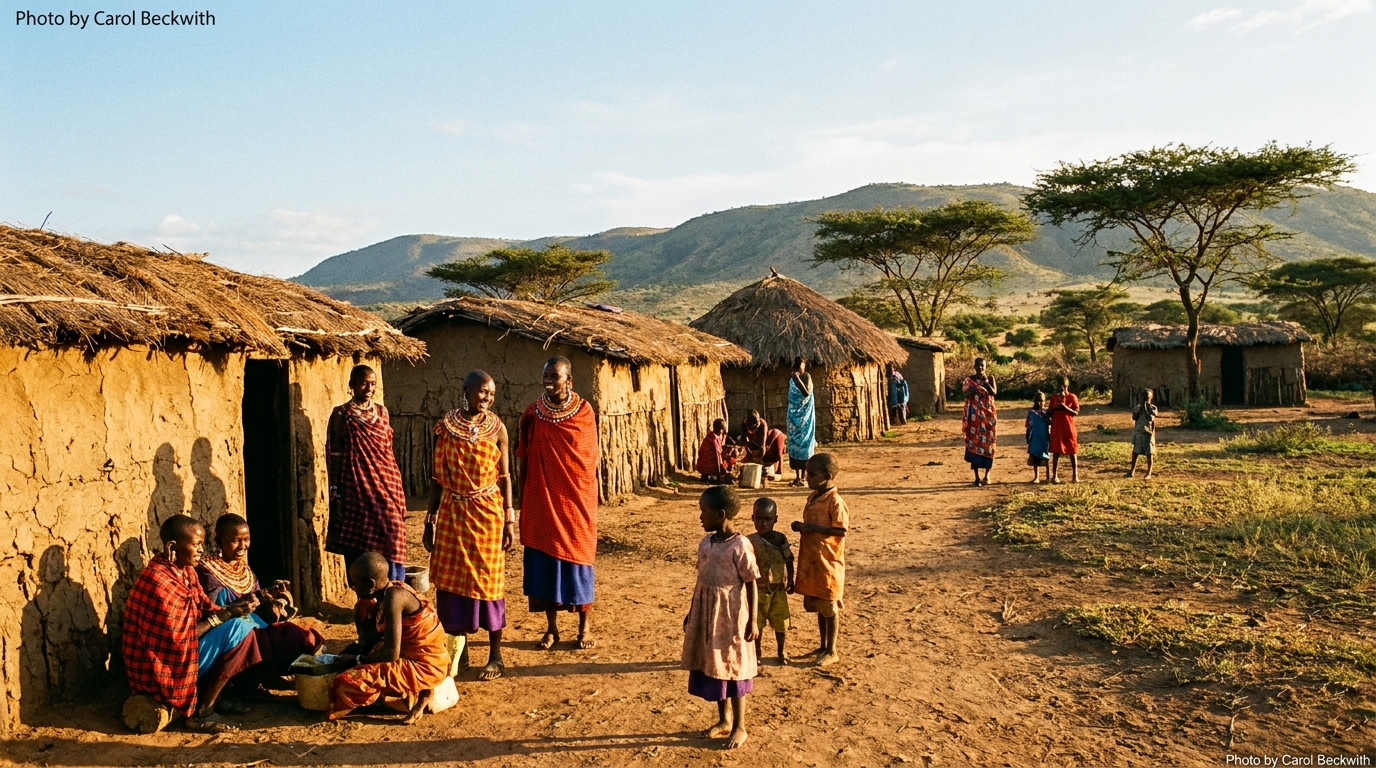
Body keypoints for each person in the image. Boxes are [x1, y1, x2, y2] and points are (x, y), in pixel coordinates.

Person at [121, 515, 260, 734]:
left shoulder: (183, 571)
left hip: (179, 654)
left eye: (202, 544)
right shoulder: (157, 580)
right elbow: (179, 638)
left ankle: (217, 697)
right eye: (196, 544)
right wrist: (225, 616)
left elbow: (205, 606)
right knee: (237, 628)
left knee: (243, 624)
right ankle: (201, 713)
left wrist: (239, 607)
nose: (201, 550)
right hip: (159, 669)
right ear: (172, 547)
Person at [424, 370, 515, 681]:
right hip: (452, 513)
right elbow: (437, 479)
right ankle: (459, 655)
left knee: (490, 584)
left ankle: (496, 655)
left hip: (488, 514)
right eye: (482, 392)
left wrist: (509, 519)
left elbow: (504, 477)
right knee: (451, 586)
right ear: (466, 391)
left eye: (491, 393)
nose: (487, 398)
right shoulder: (445, 428)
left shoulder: (497, 429)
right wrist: (429, 520)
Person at [519, 356, 600, 650]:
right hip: (542, 499)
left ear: (569, 381)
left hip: (575, 500)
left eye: (555, 376)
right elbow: (524, 456)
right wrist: (522, 496)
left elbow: (588, 459)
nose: (549, 381)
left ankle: (584, 627)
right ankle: (551, 628)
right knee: (545, 566)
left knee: (579, 563)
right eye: (545, 376)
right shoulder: (534, 413)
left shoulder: (584, 413)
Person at [196, 514, 325, 700]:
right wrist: (244, 607)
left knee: (296, 636)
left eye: (246, 540)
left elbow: (256, 603)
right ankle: (243, 686)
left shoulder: (245, 571)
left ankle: (261, 679)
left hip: (251, 626)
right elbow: (209, 611)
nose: (242, 546)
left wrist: (274, 598)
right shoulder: (208, 572)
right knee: (256, 639)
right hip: (226, 635)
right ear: (218, 541)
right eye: (235, 540)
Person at [329, 552, 450, 724]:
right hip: (407, 653)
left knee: (344, 682)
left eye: (355, 584)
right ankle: (405, 692)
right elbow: (373, 640)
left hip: (425, 665)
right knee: (348, 652)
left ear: (371, 584)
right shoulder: (384, 595)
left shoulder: (394, 598)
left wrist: (357, 660)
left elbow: (391, 653)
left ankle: (416, 693)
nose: (353, 588)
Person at [683, 485, 759, 751]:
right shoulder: (705, 543)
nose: (700, 517)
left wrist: (753, 620)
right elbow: (701, 580)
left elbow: (751, 583)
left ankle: (740, 725)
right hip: (707, 613)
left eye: (705, 512)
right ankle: (724, 720)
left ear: (721, 514)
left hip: (732, 614)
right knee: (715, 665)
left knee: (735, 667)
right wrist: (692, 612)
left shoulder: (740, 545)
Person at [326, 365, 408, 582]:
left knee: (394, 530)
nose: (369, 388)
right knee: (360, 537)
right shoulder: (341, 414)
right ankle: (365, 594)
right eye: (364, 383)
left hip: (387, 481)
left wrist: (396, 485)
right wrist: (335, 490)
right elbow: (334, 454)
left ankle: (394, 586)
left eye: (373, 383)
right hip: (355, 485)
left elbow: (387, 450)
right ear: (352, 385)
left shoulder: (382, 412)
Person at [790, 452, 848, 668]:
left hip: (828, 563)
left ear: (827, 475)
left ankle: (832, 650)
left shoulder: (835, 501)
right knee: (820, 605)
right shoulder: (813, 496)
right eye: (807, 473)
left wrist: (810, 528)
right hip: (814, 560)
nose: (807, 478)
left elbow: (840, 531)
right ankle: (823, 645)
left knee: (830, 606)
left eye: (812, 475)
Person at [747, 497, 793, 665]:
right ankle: (756, 653)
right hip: (757, 589)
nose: (763, 523)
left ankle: (781, 652)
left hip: (778, 589)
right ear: (752, 518)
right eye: (758, 518)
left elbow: (789, 559)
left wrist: (791, 579)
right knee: (757, 624)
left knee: (781, 623)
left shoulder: (780, 539)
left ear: (775, 519)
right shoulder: (749, 541)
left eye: (768, 519)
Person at [962, 358, 998, 486]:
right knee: (974, 445)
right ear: (974, 366)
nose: (980, 368)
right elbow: (965, 394)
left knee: (989, 445)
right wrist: (973, 388)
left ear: (986, 366)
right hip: (974, 419)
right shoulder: (969, 379)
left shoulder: (991, 378)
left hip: (988, 417)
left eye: (982, 365)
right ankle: (977, 477)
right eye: (978, 365)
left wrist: (986, 384)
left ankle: (987, 476)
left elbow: (994, 393)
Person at [786, 357, 816, 487]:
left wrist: (797, 380)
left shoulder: (806, 377)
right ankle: (797, 476)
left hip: (804, 418)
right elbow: (792, 397)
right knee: (793, 446)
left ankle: (803, 477)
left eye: (802, 365)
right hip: (793, 418)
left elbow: (806, 393)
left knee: (804, 445)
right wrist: (794, 379)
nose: (800, 368)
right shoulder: (791, 379)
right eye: (798, 365)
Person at [1048, 376, 1081, 483]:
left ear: (1066, 386)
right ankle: (1055, 476)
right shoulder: (1054, 398)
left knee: (1072, 450)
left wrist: (1064, 407)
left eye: (1063, 386)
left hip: (1069, 427)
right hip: (1057, 427)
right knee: (1056, 451)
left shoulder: (1072, 397)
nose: (1061, 388)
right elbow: (1049, 412)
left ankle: (1075, 475)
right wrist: (1055, 408)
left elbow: (1075, 412)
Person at [740, 411, 786, 480]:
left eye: (756, 426)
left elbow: (763, 446)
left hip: (773, 437)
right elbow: (744, 442)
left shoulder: (763, 425)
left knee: (777, 455)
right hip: (757, 441)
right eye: (752, 427)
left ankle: (779, 470)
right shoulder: (744, 424)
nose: (754, 428)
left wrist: (758, 462)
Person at [1126, 389, 1158, 480]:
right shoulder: (1138, 407)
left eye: (1147, 397)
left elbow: (1150, 418)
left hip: (1148, 433)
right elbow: (1134, 417)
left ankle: (1149, 473)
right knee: (1135, 453)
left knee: (1149, 454)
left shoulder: (1153, 408)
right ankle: (1132, 471)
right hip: (1139, 432)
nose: (1145, 399)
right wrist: (1140, 409)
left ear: (1151, 398)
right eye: (1144, 397)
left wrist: (1146, 409)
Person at [696, 418, 738, 483]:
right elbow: (717, 457)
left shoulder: (709, 437)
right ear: (721, 430)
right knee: (728, 457)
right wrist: (721, 473)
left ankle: (705, 475)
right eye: (723, 430)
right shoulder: (714, 440)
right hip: (711, 467)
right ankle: (714, 476)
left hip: (701, 466)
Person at [1025, 393, 1051, 484]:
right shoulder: (1031, 413)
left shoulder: (1046, 412)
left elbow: (1050, 423)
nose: (1042, 403)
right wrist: (1027, 436)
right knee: (1035, 456)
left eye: (1043, 401)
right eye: (1039, 401)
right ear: (1035, 401)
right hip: (1034, 437)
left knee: (1046, 456)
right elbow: (1028, 426)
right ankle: (1036, 477)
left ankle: (1048, 476)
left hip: (1044, 437)